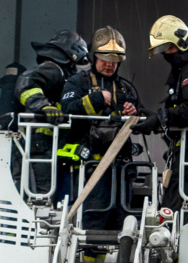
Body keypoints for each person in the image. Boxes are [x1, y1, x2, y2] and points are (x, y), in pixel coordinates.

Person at [60, 26, 143, 231]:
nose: (109, 64)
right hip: (90, 170)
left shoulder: (126, 88)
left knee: (121, 224)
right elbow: (66, 110)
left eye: (115, 59)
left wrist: (133, 112)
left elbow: (141, 120)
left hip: (121, 170)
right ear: (93, 55)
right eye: (105, 57)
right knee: (92, 222)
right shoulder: (77, 82)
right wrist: (96, 99)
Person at [133, 15, 188, 212]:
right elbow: (182, 111)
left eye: (169, 47)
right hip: (187, 156)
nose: (167, 54)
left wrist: (161, 118)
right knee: (170, 212)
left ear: (182, 43)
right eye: (163, 49)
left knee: (172, 215)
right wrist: (154, 116)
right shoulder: (187, 69)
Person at [14, 29, 89, 196]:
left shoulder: (57, 72)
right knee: (41, 194)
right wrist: (44, 106)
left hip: (45, 143)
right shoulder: (53, 69)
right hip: (40, 143)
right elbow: (25, 84)